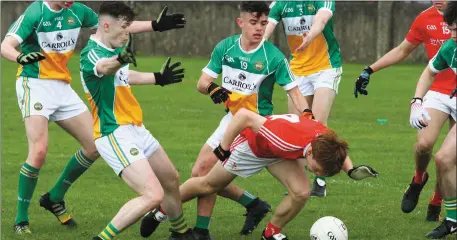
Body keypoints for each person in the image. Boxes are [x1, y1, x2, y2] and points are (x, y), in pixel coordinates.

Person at [0, 0, 186, 234]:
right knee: (38, 152)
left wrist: (154, 25)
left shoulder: (77, 11)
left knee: (94, 145)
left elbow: (113, 25)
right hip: (33, 83)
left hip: (61, 85)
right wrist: (18, 58)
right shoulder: (36, 12)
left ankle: (54, 197)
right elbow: (6, 45)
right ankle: (21, 219)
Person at [139, 2, 313, 239]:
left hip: (256, 127)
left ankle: (163, 213)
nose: (259, 28)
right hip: (231, 121)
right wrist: (212, 88)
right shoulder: (226, 47)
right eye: (253, 23)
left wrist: (308, 116)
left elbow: (294, 92)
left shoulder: (273, 57)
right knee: (201, 170)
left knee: (207, 177)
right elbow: (201, 83)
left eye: (263, 23)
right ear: (240, 22)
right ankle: (208, 226)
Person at [78, 2, 194, 240]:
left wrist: (158, 78)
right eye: (124, 27)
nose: (127, 33)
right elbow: (105, 67)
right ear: (106, 25)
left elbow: (123, 75)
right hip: (113, 132)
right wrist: (119, 60)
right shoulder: (91, 54)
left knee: (170, 178)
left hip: (135, 127)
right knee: (153, 195)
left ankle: (181, 233)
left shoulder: (113, 48)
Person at [354, 0, 455, 222]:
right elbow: (402, 50)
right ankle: (419, 178)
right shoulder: (424, 19)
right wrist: (369, 70)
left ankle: (436, 202)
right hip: (437, 91)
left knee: (449, 157)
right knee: (423, 145)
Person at [177, 108, 348, 240]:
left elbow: (339, 151)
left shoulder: (324, 141)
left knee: (301, 192)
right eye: (317, 169)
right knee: (209, 185)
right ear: (310, 153)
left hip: (276, 153)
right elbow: (244, 115)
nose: (316, 173)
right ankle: (164, 204)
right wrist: (224, 147)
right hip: (251, 148)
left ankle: (271, 233)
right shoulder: (283, 137)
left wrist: (351, 170)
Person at [264, 1, 378, 198]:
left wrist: (312, 35)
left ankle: (323, 179)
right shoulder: (279, 3)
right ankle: (300, 184)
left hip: (326, 67)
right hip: (298, 69)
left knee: (317, 124)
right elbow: (268, 26)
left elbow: (322, 19)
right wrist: (260, 44)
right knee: (297, 128)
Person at [409, 3, 457, 238]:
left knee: (446, 158)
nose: (453, 35)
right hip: (447, 96)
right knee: (442, 158)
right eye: (451, 29)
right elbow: (429, 71)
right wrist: (416, 101)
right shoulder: (451, 47)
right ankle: (451, 220)